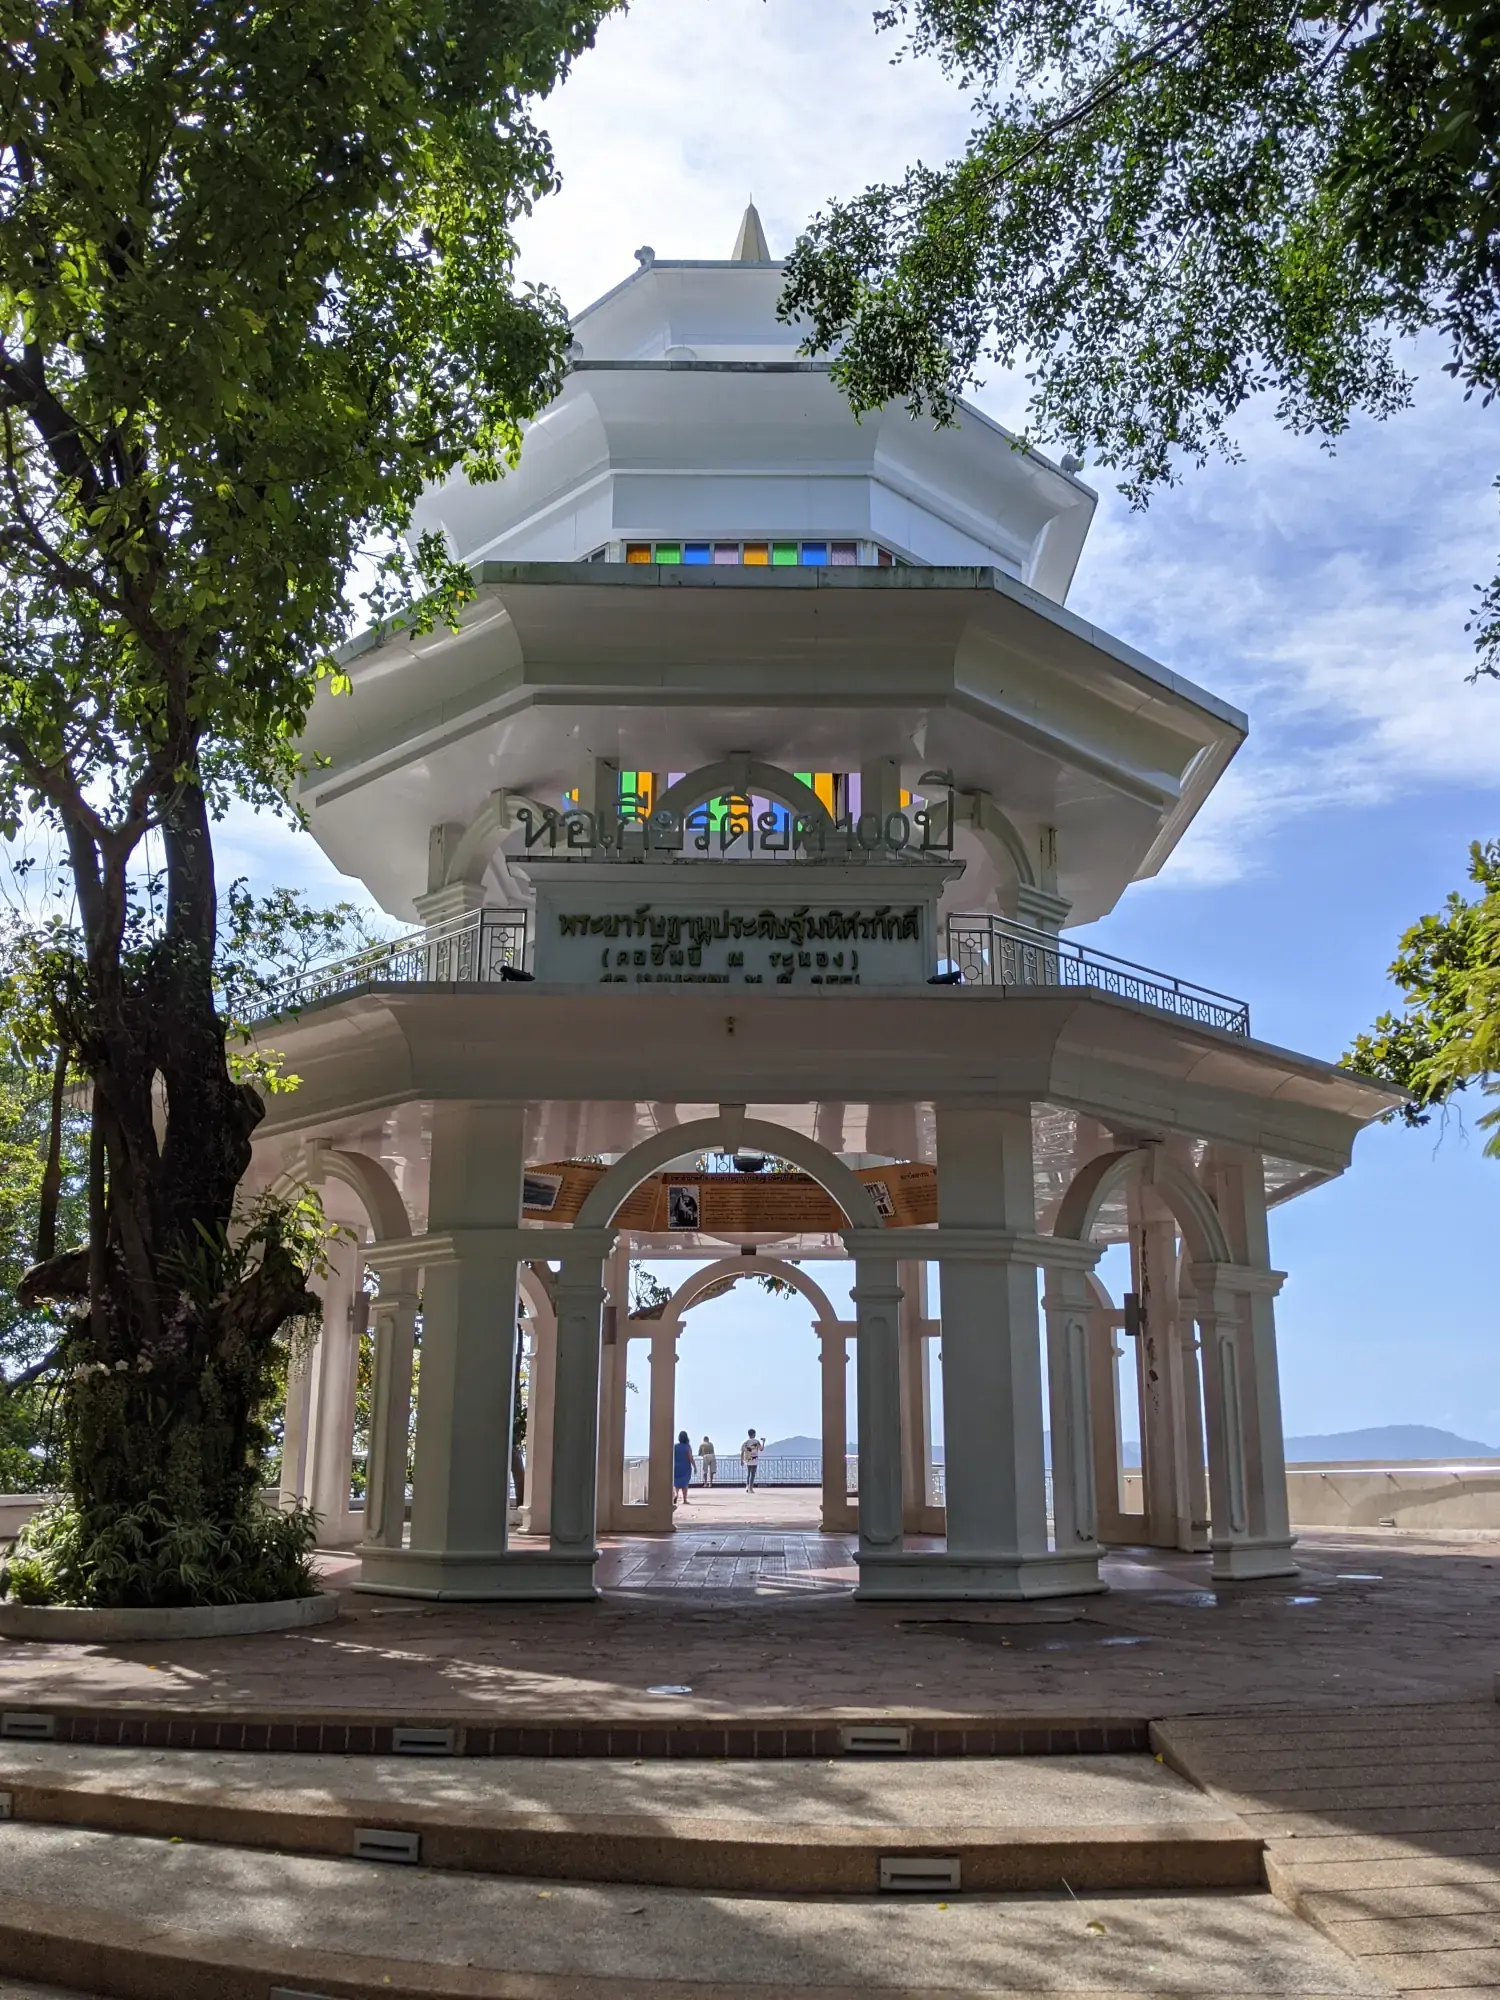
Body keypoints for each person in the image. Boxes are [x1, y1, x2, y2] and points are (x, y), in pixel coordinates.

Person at [673, 1430, 695, 1507]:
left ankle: (676, 1495)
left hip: (676, 1467)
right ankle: (684, 1499)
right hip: (685, 1467)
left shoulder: (675, 1446)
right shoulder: (687, 1447)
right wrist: (694, 1466)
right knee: (684, 1483)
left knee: (676, 1483)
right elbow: (690, 1457)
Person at [740, 1427, 763, 1493]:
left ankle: (747, 1486)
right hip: (754, 1460)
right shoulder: (757, 1441)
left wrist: (741, 1461)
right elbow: (761, 1449)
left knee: (749, 1474)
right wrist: (763, 1442)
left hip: (748, 1459)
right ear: (753, 1434)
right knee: (752, 1474)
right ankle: (751, 1488)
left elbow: (742, 1452)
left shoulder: (745, 1442)